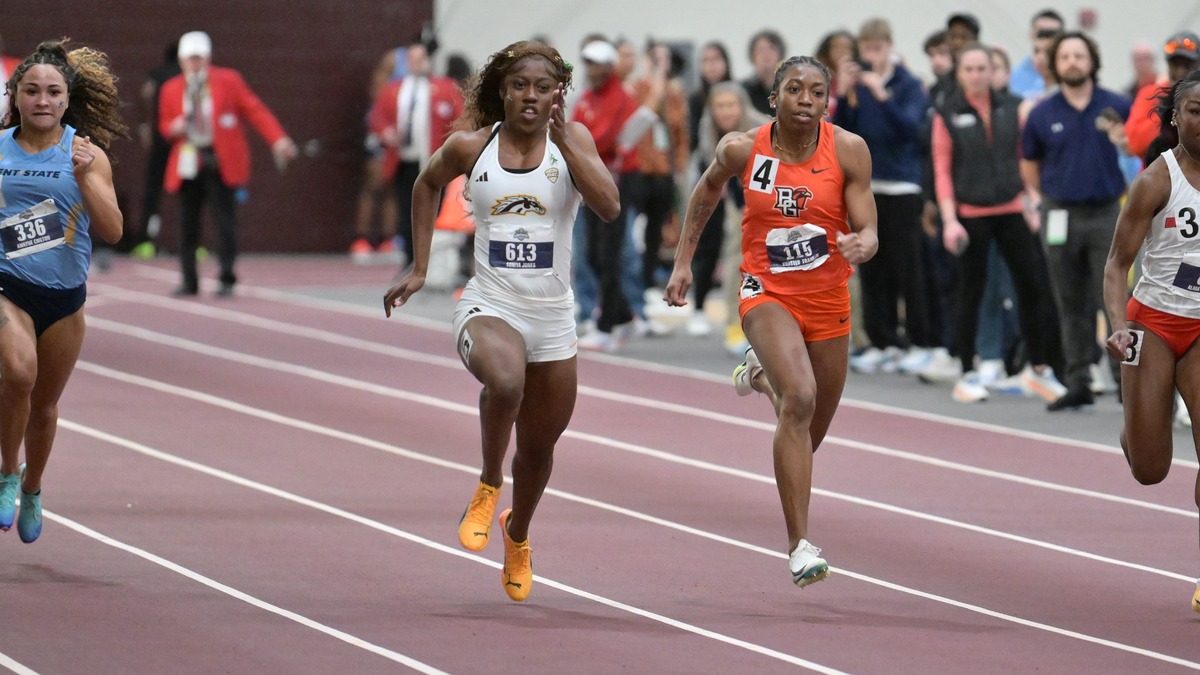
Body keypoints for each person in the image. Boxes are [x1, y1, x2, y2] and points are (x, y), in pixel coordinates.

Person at [383, 41, 619, 602]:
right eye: (519, 86)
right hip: (490, 304)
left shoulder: (574, 142)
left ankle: (518, 533)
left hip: (554, 316)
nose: (530, 97)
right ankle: (488, 485)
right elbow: (424, 184)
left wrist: (567, 142)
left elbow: (609, 205)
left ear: (558, 93)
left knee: (538, 451)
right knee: (505, 378)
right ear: (502, 91)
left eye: (542, 87)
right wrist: (419, 268)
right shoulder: (471, 146)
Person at [665, 56, 878, 587]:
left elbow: (870, 227)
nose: (805, 99)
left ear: (828, 102)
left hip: (828, 298)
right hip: (767, 292)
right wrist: (684, 262)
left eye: (816, 92)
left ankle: (759, 376)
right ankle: (800, 545)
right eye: (794, 90)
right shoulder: (743, 147)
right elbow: (707, 191)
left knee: (807, 431)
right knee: (800, 399)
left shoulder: (848, 150)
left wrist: (863, 244)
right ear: (774, 98)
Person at [0, 39, 125, 543]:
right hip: (8, 285)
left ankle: (33, 485)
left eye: (53, 91)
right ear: (16, 96)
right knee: (17, 372)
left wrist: (83, 178)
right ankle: (8, 474)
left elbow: (114, 230)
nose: (42, 100)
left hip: (65, 296)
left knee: (46, 406)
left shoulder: (87, 155)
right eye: (31, 91)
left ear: (67, 99)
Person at [1101, 70, 1200, 613]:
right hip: (1153, 324)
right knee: (1150, 469)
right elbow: (1117, 264)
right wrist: (1118, 325)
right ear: (1175, 117)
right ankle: (1135, 429)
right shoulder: (1156, 181)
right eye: (1196, 111)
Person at [932, 43, 1066, 404]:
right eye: (970, 69)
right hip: (970, 215)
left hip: (1011, 209)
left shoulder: (1012, 108)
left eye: (983, 68)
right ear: (959, 74)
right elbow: (942, 171)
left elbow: (1025, 158)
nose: (977, 75)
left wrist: (1031, 201)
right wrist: (949, 221)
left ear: (993, 71)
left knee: (1033, 286)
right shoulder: (946, 113)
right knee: (970, 293)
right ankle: (967, 372)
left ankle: (1037, 369)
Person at [1021, 31, 1132, 410]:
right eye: (1065, 56)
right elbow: (1029, 162)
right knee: (1068, 299)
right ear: (1055, 64)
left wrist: (1124, 142)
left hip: (1106, 214)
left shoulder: (1117, 105)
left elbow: (1140, 150)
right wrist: (1039, 200)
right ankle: (1078, 380)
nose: (1072, 62)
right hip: (1059, 214)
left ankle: (1125, 381)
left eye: (1079, 55)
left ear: (1092, 60)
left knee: (1115, 299)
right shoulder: (1042, 113)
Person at [159, 30, 297, 297]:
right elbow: (164, 125)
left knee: (225, 222)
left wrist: (277, 139)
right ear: (181, 60)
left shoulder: (228, 81)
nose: (194, 64)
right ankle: (189, 279)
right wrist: (173, 127)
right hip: (189, 159)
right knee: (187, 224)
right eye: (189, 59)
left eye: (199, 58)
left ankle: (227, 276)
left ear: (208, 58)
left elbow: (255, 110)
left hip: (221, 160)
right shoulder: (171, 88)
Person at [833, 18, 932, 375]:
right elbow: (842, 131)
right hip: (867, 187)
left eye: (877, 48)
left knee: (907, 267)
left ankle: (918, 340)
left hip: (902, 186)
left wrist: (882, 95)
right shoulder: (858, 86)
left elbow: (913, 130)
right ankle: (882, 340)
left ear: (889, 46)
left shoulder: (907, 85)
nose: (871, 56)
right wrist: (845, 94)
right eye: (866, 49)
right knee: (871, 265)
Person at [369, 42, 464, 271]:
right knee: (407, 210)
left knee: (436, 210)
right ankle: (410, 259)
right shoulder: (394, 89)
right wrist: (386, 133)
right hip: (404, 159)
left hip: (434, 161)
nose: (417, 63)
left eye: (421, 58)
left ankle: (435, 261)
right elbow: (378, 117)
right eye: (412, 59)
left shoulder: (444, 87)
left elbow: (460, 117)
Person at [130, 40, 180, 259]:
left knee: (154, 191)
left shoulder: (157, 74)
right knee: (190, 192)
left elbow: (143, 95)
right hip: (180, 143)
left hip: (162, 139)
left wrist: (144, 126)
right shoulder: (186, 76)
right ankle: (190, 242)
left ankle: (147, 240)